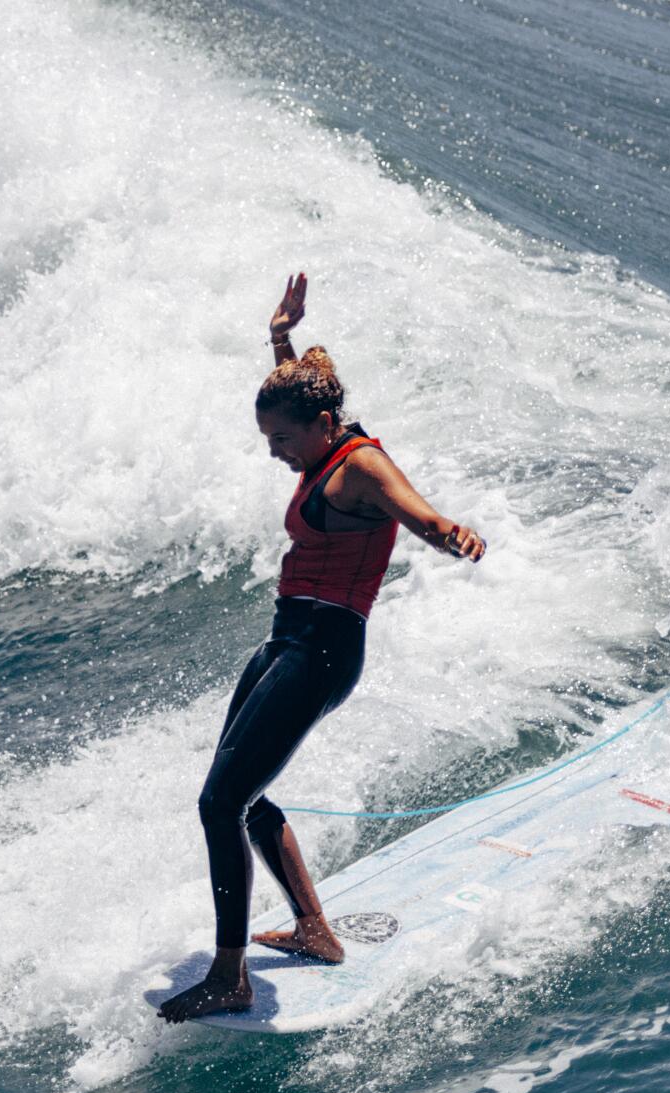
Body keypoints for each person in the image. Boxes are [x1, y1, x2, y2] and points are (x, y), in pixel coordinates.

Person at [157, 272, 487, 1023]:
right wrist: (279, 335)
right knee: (237, 791)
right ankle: (313, 930)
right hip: (287, 639)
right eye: (268, 439)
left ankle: (231, 975)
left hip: (325, 650)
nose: (275, 451)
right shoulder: (322, 437)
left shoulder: (362, 464)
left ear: (324, 424)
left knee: (220, 802)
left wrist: (450, 534)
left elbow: (418, 512)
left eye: (281, 439)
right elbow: (306, 388)